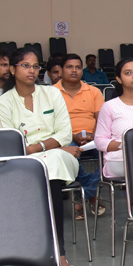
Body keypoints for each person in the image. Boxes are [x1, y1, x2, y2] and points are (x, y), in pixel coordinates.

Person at [0, 47, 82, 266]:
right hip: (21, 163)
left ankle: (58, 251)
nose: (32, 71)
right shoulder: (4, 102)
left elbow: (65, 133)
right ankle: (57, 252)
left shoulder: (52, 94)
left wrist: (38, 147)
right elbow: (10, 142)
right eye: (25, 65)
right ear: (13, 69)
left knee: (50, 165)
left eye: (35, 66)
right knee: (45, 167)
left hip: (56, 159)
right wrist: (49, 146)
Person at [94, 58, 133, 259]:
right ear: (119, 79)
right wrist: (128, 145)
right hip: (118, 162)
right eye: (128, 73)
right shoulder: (110, 107)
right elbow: (100, 141)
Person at [54, 54, 105, 220]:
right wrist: (72, 136)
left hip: (93, 136)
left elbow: (101, 119)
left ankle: (83, 193)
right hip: (65, 137)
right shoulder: (51, 93)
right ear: (61, 70)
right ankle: (91, 194)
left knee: (113, 153)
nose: (74, 71)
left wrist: (95, 135)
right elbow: (50, 123)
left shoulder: (94, 91)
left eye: (77, 67)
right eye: (69, 67)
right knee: (69, 152)